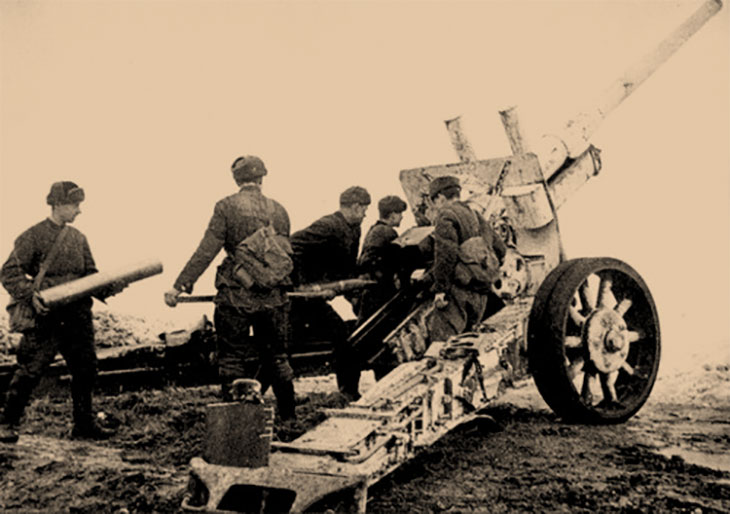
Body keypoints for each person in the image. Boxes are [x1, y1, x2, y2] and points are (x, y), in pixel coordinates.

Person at [164, 156, 296, 421]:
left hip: (236, 294)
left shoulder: (226, 206)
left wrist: (180, 285)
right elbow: (282, 255)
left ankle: (235, 420)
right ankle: (289, 418)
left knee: (232, 358)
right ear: (262, 178)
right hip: (273, 296)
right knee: (277, 358)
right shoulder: (279, 210)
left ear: (236, 179)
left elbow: (207, 249)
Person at [0, 182, 124, 443]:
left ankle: (83, 425)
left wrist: (110, 287)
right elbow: (9, 272)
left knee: (86, 369)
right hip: (46, 318)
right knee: (30, 370)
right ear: (57, 205)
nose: (79, 211)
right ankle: (7, 423)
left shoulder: (78, 238)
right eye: (74, 205)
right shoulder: (32, 236)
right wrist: (30, 295)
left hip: (77, 317)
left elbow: (90, 276)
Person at [289, 186, 371, 400]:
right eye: (364, 209)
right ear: (355, 207)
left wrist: (353, 293)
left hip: (314, 299)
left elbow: (346, 268)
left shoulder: (354, 229)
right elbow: (292, 246)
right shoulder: (328, 225)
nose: (365, 214)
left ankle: (348, 392)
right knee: (285, 346)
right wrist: (304, 284)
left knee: (341, 336)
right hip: (300, 298)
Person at [425, 175, 507, 342]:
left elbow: (446, 255)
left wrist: (440, 290)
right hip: (481, 291)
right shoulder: (474, 214)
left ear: (440, 197)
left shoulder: (446, 216)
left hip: (459, 292)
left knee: (443, 343)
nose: (435, 206)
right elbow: (500, 248)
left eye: (434, 201)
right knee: (470, 341)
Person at [356, 195, 408, 324]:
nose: (402, 217)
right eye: (400, 213)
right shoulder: (387, 232)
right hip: (379, 293)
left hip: (370, 291)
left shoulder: (375, 230)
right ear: (392, 215)